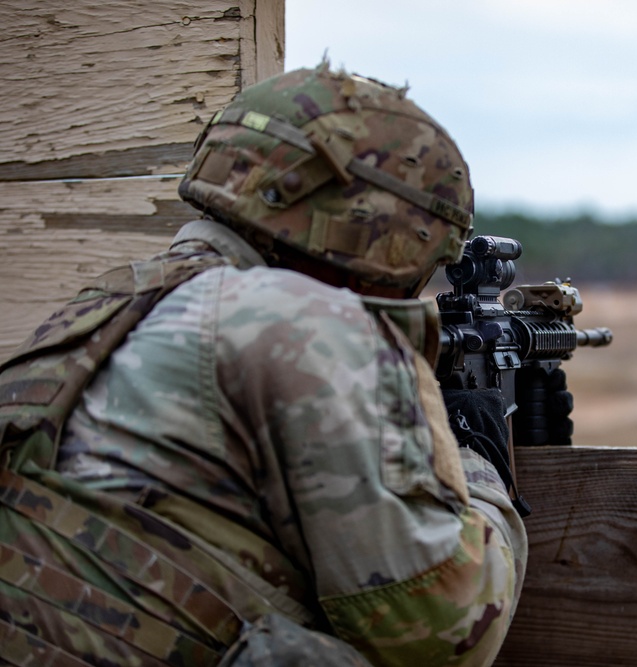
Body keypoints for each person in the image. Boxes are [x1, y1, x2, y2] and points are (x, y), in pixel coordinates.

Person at [0, 62, 527, 666]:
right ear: (378, 234)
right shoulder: (298, 318)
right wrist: (479, 470)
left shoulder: (108, 307)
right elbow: (445, 633)